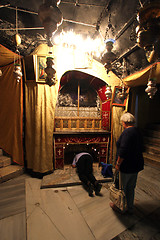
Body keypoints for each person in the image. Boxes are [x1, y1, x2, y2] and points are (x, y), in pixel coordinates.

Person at [110, 112, 144, 214]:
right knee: (131, 187)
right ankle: (130, 207)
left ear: (124, 122)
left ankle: (121, 207)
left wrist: (118, 164)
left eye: (122, 122)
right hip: (136, 165)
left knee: (122, 188)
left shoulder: (127, 132)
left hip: (126, 166)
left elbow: (123, 150)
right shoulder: (138, 131)